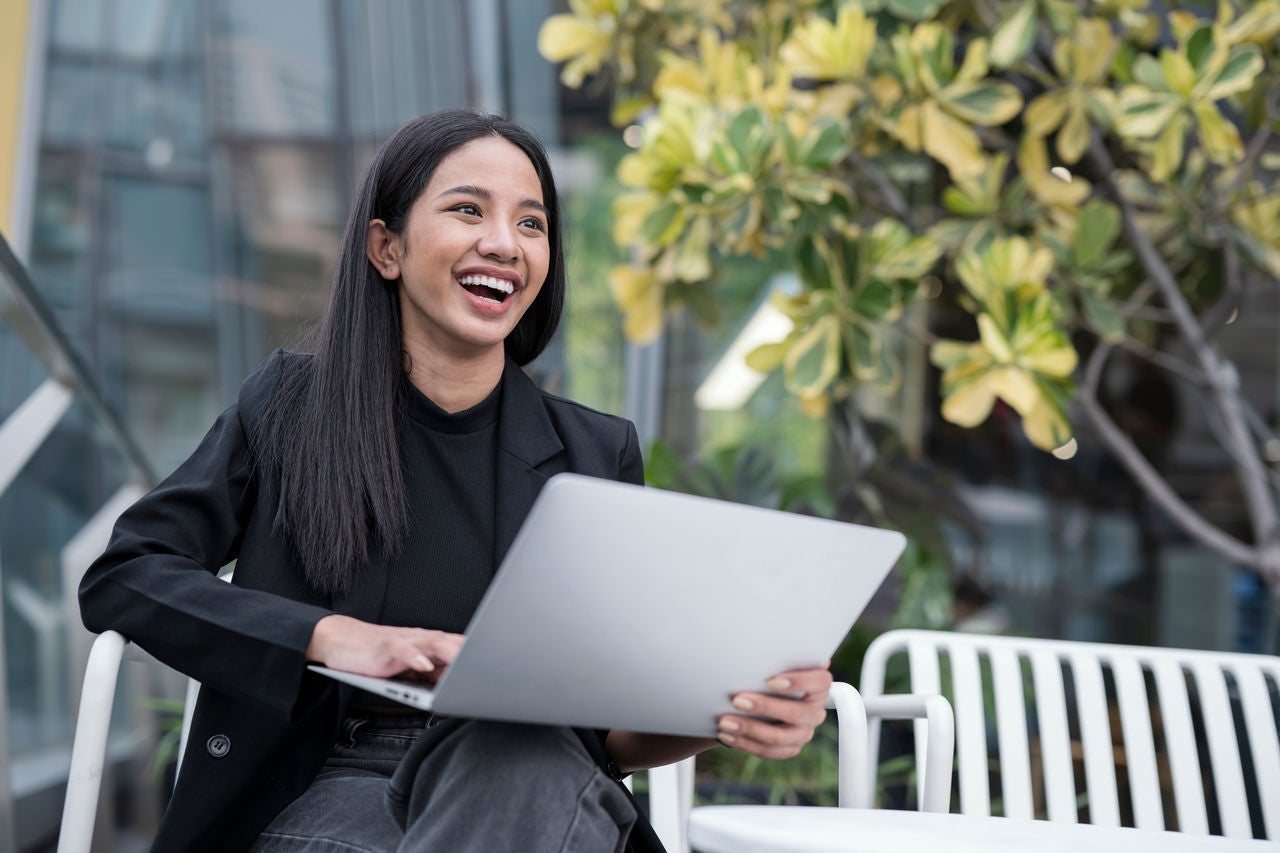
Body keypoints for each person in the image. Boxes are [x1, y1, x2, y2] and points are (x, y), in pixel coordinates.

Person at [79, 109, 832, 853]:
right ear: (386, 247)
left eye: (532, 224)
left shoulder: (595, 452)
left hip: (540, 788)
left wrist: (726, 713)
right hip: (330, 791)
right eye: (468, 209)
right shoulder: (288, 408)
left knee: (526, 758)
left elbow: (611, 735)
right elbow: (126, 573)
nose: (504, 243)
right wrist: (328, 637)